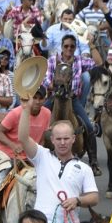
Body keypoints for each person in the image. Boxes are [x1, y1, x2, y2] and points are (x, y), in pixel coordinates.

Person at [18, 96, 99, 223]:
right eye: (59, 139)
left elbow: (94, 197)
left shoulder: (84, 168)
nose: (62, 143)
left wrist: (77, 201)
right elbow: (23, 138)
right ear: (52, 139)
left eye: (66, 138)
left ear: (73, 139)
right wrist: (26, 110)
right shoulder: (41, 156)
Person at [42, 33, 102, 175]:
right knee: (39, 119)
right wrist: (51, 85)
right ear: (62, 47)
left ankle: (93, 161)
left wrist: (91, 45)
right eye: (66, 46)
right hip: (54, 97)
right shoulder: (52, 60)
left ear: (75, 48)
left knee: (88, 126)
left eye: (72, 46)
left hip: (72, 99)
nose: (69, 48)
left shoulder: (80, 60)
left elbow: (99, 64)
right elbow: (45, 79)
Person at [0, 85, 50, 159]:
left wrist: (39, 155)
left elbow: (41, 140)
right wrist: (12, 145)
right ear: (28, 98)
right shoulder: (15, 113)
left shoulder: (47, 113)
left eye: (40, 98)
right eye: (34, 98)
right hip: (7, 154)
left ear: (45, 99)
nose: (37, 102)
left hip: (30, 157)